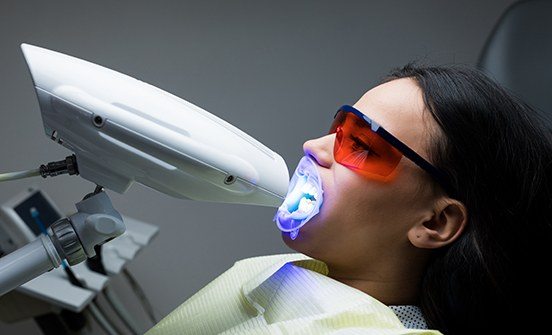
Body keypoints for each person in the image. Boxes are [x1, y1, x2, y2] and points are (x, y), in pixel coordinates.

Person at [146, 64, 552, 335]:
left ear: (435, 223)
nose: (313, 147)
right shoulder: (281, 272)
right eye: (337, 129)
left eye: (361, 145)